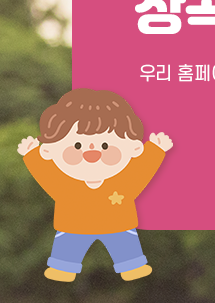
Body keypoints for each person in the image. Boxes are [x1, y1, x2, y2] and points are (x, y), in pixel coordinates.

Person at [17, 89, 173, 282]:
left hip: (115, 224)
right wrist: (32, 155)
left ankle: (130, 264)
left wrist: (155, 150)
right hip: (75, 225)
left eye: (105, 145)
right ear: (50, 150)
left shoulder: (123, 181)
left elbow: (142, 171)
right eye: (77, 145)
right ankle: (64, 266)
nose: (91, 153)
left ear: (133, 148)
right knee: (69, 247)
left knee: (124, 244)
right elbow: (46, 175)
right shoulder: (65, 184)